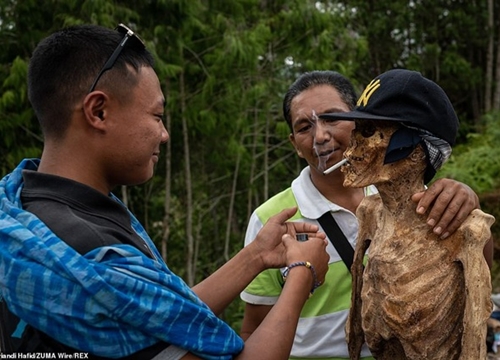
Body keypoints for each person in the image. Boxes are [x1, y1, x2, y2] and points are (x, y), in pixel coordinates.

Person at [0, 24, 331, 359]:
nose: (164, 134)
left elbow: (156, 319)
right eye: (157, 116)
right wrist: (302, 274)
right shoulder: (93, 250)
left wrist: (256, 256)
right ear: (98, 111)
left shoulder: (28, 210)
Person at [239, 70, 493, 360]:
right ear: (294, 143)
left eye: (333, 118)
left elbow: (476, 277)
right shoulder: (271, 220)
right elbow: (253, 328)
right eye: (304, 127)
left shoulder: (420, 202)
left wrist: (467, 203)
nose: (321, 136)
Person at [319, 69, 494, 359]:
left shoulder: (462, 227)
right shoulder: (370, 212)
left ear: (415, 151)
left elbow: (476, 327)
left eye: (369, 133)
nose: (349, 153)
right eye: (355, 134)